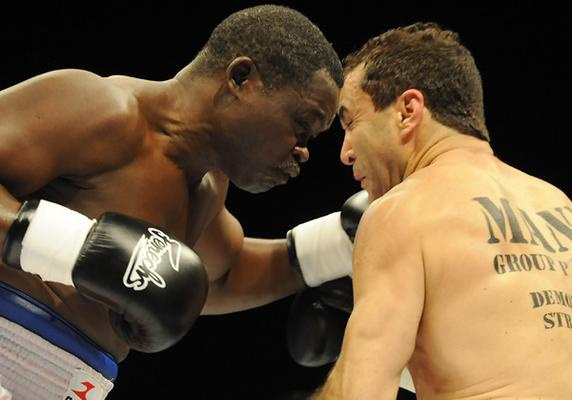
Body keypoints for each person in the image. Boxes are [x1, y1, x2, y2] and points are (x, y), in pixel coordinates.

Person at [0, 5, 345, 399]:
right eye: (301, 125)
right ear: (241, 78)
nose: (302, 152)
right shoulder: (99, 108)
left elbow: (218, 278)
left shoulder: (208, 189)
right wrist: (72, 246)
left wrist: (337, 245)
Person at [312, 22, 572, 399]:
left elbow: (360, 392)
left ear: (408, 110)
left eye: (350, 121)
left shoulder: (401, 211)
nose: (345, 151)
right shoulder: (559, 204)